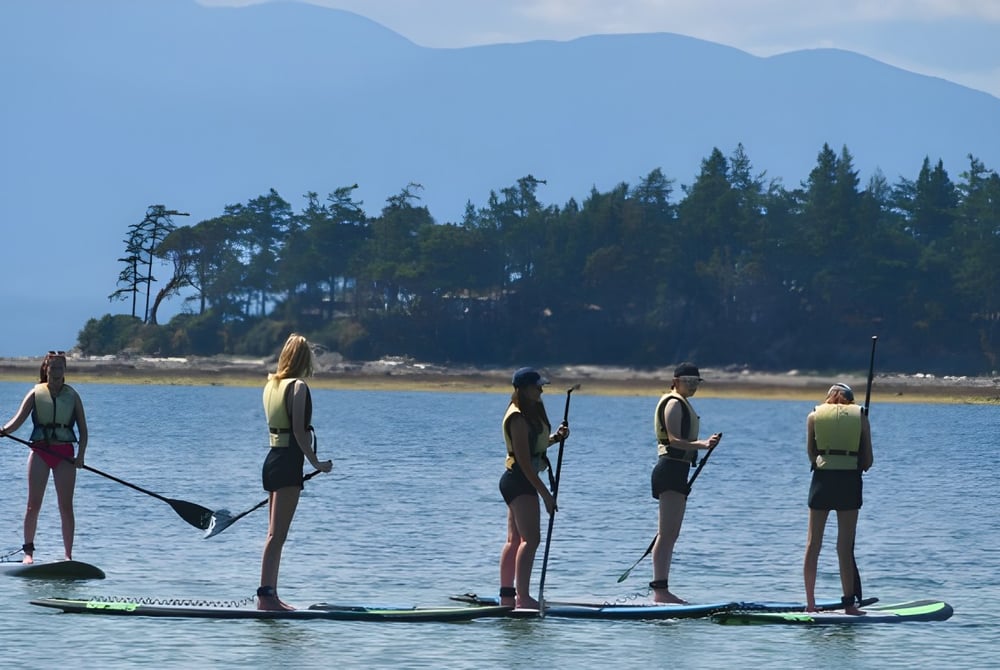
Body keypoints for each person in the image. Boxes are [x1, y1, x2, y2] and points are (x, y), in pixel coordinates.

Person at [257, 334, 333, 611]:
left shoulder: (271, 384)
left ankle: (270, 595)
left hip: (272, 460)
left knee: (273, 534)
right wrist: (317, 464)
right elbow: (300, 433)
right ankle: (266, 598)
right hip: (289, 462)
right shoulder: (298, 386)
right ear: (304, 359)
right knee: (278, 535)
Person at [0, 351, 89, 564]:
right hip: (40, 452)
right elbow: (16, 422)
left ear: (64, 370)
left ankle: (68, 555)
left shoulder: (73, 396)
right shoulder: (35, 393)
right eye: (53, 368)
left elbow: (84, 431)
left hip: (65, 454)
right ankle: (28, 553)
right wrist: (2, 430)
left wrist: (81, 456)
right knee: (33, 505)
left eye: (60, 368)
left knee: (65, 507)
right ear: (46, 369)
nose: (56, 372)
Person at [649, 362, 722, 604]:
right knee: (666, 533)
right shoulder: (673, 403)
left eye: (696, 383)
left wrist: (704, 444)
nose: (693, 386)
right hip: (669, 469)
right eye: (688, 381)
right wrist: (702, 444)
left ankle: (662, 589)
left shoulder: (683, 402)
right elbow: (674, 440)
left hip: (679, 471)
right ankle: (660, 591)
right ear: (676, 380)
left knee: (672, 533)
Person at [498, 367, 570, 610]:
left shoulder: (528, 413)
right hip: (519, 480)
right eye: (537, 386)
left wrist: (555, 438)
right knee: (531, 540)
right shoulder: (517, 417)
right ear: (522, 389)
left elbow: (533, 446)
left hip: (518, 480)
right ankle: (522, 597)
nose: (541, 389)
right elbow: (525, 462)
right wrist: (546, 495)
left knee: (516, 539)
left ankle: (508, 597)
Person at [803, 382, 873, 615]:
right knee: (844, 546)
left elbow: (811, 454)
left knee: (813, 544)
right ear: (850, 400)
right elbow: (868, 461)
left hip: (822, 481)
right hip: (849, 481)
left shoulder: (813, 415)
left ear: (829, 398)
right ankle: (849, 605)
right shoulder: (861, 416)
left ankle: (810, 603)